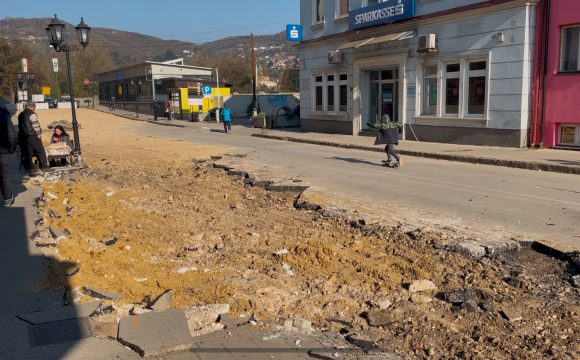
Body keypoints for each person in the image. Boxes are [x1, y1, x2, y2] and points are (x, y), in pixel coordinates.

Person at [18, 102, 48, 175]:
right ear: (33, 107)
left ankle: (32, 168)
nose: (34, 109)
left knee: (29, 152)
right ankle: (45, 167)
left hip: (24, 136)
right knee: (40, 150)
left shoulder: (20, 114)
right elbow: (35, 126)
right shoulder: (32, 114)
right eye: (34, 108)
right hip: (33, 135)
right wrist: (39, 135)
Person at [0, 104, 17, 207]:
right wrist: (12, 148)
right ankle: (7, 198)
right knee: (3, 176)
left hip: (3, 149)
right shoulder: (4, 116)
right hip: (3, 150)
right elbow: (12, 135)